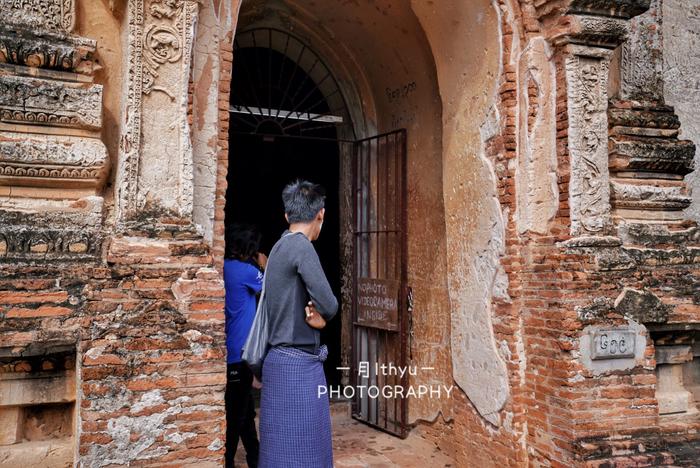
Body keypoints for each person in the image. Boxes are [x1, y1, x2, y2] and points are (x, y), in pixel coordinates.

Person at [258, 180, 339, 468]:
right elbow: (329, 303)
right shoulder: (302, 248)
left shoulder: (278, 246)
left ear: (286, 216)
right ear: (321, 214)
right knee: (307, 454)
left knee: (278, 452)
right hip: (299, 368)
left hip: (276, 362)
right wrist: (323, 318)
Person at [223, 224, 267, 468]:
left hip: (231, 349)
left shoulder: (224, 268)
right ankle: (227, 460)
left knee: (245, 409)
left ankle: (255, 457)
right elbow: (273, 288)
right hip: (242, 352)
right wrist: (263, 264)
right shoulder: (247, 271)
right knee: (236, 415)